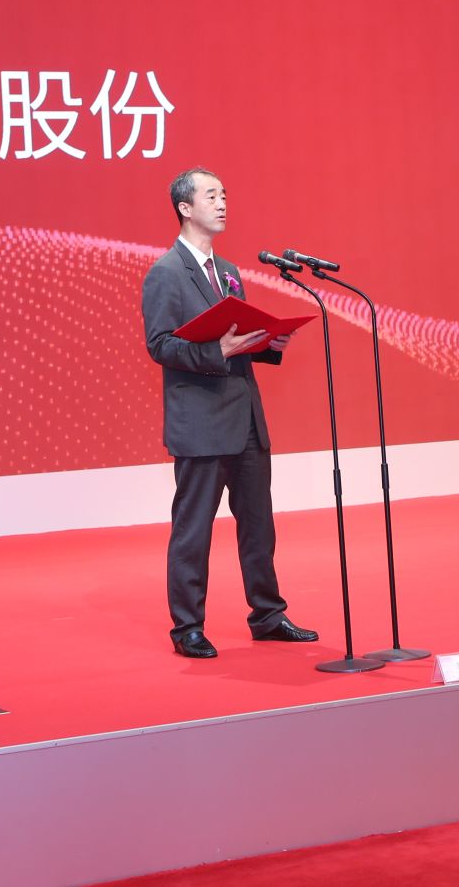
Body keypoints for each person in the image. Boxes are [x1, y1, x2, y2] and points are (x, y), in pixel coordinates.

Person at [141, 166, 319, 658]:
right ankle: (187, 628)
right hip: (200, 423)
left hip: (245, 419)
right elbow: (160, 345)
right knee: (193, 530)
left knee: (259, 524)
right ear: (185, 207)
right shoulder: (165, 273)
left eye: (224, 195)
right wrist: (215, 351)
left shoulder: (229, 272)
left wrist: (267, 343)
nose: (222, 203)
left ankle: (268, 615)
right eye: (211, 195)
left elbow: (235, 339)